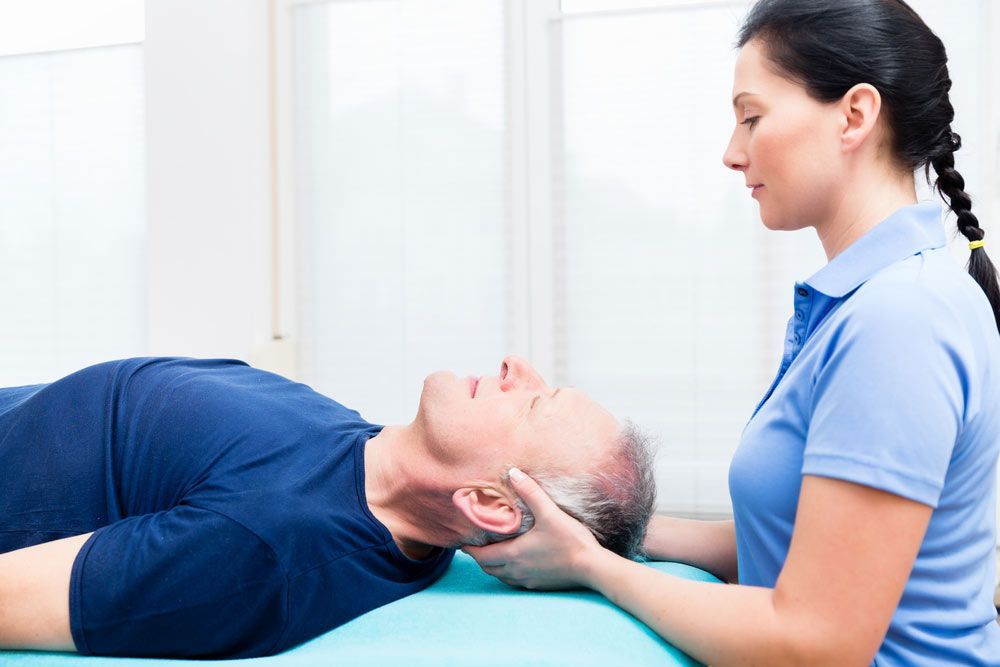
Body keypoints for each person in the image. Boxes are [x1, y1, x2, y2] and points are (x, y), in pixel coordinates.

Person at [464, 1, 1000, 665]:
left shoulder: (900, 320)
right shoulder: (871, 302)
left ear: (855, 114)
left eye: (752, 116)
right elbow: (800, 543)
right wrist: (609, 533)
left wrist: (592, 566)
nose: (731, 151)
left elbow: (819, 642)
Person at [0, 354, 655, 659]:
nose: (518, 366)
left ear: (488, 503)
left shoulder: (266, 547)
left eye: (535, 402)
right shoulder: (366, 456)